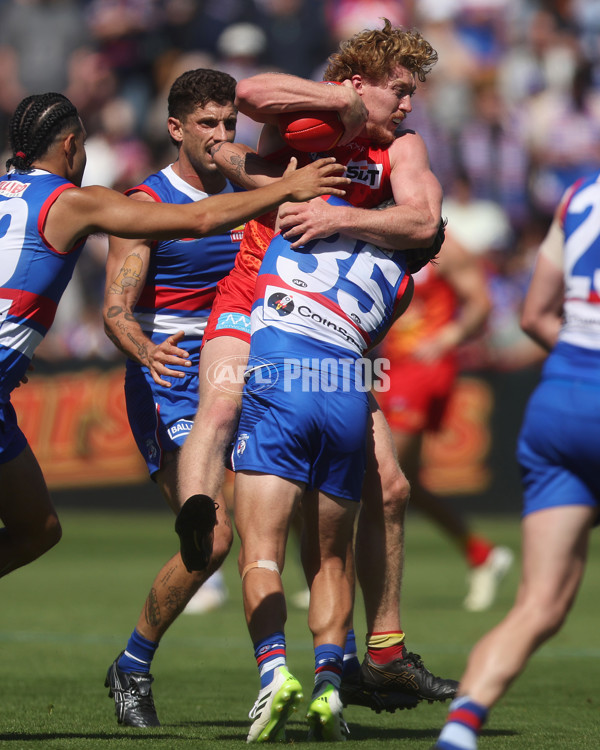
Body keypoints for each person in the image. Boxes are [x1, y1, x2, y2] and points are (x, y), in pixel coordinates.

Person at [175, 18, 458, 715]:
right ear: (359, 82)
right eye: (399, 91)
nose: (408, 106)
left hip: (333, 326)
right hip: (256, 291)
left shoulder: (404, 146)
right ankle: (198, 531)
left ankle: (380, 654)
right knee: (218, 408)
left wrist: (338, 219)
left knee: (388, 486)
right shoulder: (313, 108)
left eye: (413, 94)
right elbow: (249, 94)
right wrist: (337, 107)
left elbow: (425, 223)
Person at [0, 91, 348, 583]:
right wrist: (289, 186)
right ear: (72, 146)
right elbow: (198, 219)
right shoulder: (75, 201)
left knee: (37, 529)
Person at [99, 68, 351, 727]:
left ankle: (315, 667)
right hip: (173, 373)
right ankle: (131, 666)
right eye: (206, 125)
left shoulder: (257, 187)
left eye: (227, 125)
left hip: (251, 363)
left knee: (299, 507)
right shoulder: (144, 202)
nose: (219, 136)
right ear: (177, 129)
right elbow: (117, 309)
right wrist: (143, 348)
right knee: (210, 539)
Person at [233, 195, 415, 742]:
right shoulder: (403, 283)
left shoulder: (313, 205)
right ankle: (330, 686)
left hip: (281, 373)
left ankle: (273, 674)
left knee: (261, 552)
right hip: (344, 392)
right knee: (331, 560)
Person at [433, 173, 600, 749]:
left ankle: (460, 728)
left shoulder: (581, 194)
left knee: (538, 606)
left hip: (559, 403)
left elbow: (534, 316)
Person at [374, 229, 514, 612]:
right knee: (405, 480)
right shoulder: (379, 232)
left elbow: (481, 303)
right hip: (392, 366)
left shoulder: (447, 247)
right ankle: (481, 553)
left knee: (383, 474)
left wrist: (448, 338)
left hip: (424, 368)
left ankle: (343, 572)